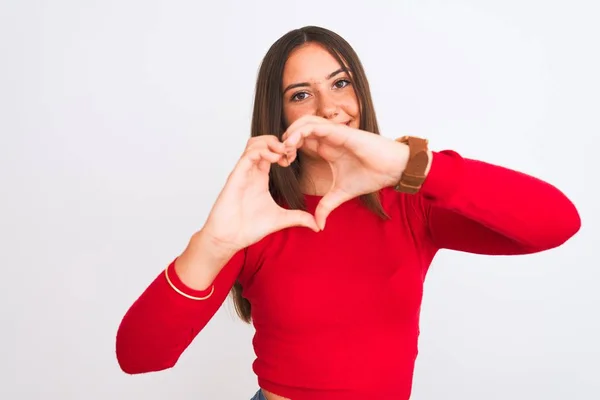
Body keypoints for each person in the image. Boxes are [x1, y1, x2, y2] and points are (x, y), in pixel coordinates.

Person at [115, 26, 581, 400]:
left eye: (340, 84)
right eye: (301, 95)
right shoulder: (258, 218)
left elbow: (556, 224)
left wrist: (406, 163)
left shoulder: (412, 202)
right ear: (278, 115)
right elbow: (140, 356)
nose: (328, 109)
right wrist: (213, 243)